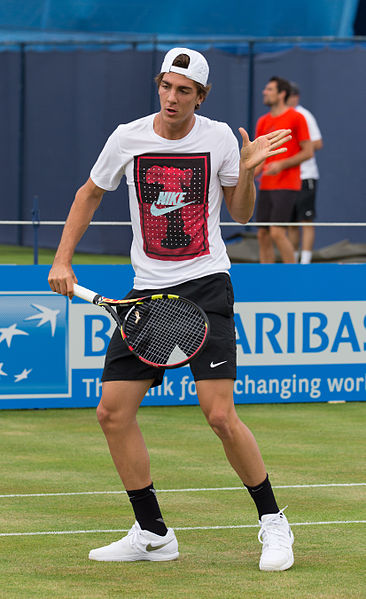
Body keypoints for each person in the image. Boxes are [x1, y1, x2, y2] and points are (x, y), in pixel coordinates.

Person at [48, 48, 295, 571]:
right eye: (166, 86)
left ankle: (274, 524)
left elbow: (242, 213)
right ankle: (154, 532)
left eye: (185, 90)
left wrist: (247, 173)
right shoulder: (127, 137)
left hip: (206, 285)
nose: (172, 98)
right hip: (146, 292)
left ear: (200, 97)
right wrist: (63, 259)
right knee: (112, 414)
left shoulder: (222, 137)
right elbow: (89, 194)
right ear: (158, 86)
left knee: (219, 414)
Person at [254, 76, 313, 263]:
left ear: (282, 94)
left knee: (277, 231)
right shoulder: (262, 121)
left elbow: (308, 152)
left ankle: (293, 277)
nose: (265, 92)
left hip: (288, 184)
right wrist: (246, 176)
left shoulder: (297, 117)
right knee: (262, 233)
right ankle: (266, 277)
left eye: (270, 89)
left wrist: (281, 164)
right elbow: (257, 157)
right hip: (266, 185)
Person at [287, 82, 323, 264]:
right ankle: (293, 261)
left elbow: (317, 143)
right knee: (291, 223)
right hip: (288, 178)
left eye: (291, 96)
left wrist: (299, 146)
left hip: (305, 176)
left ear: (296, 97)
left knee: (305, 220)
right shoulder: (284, 116)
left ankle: (306, 262)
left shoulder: (304, 115)